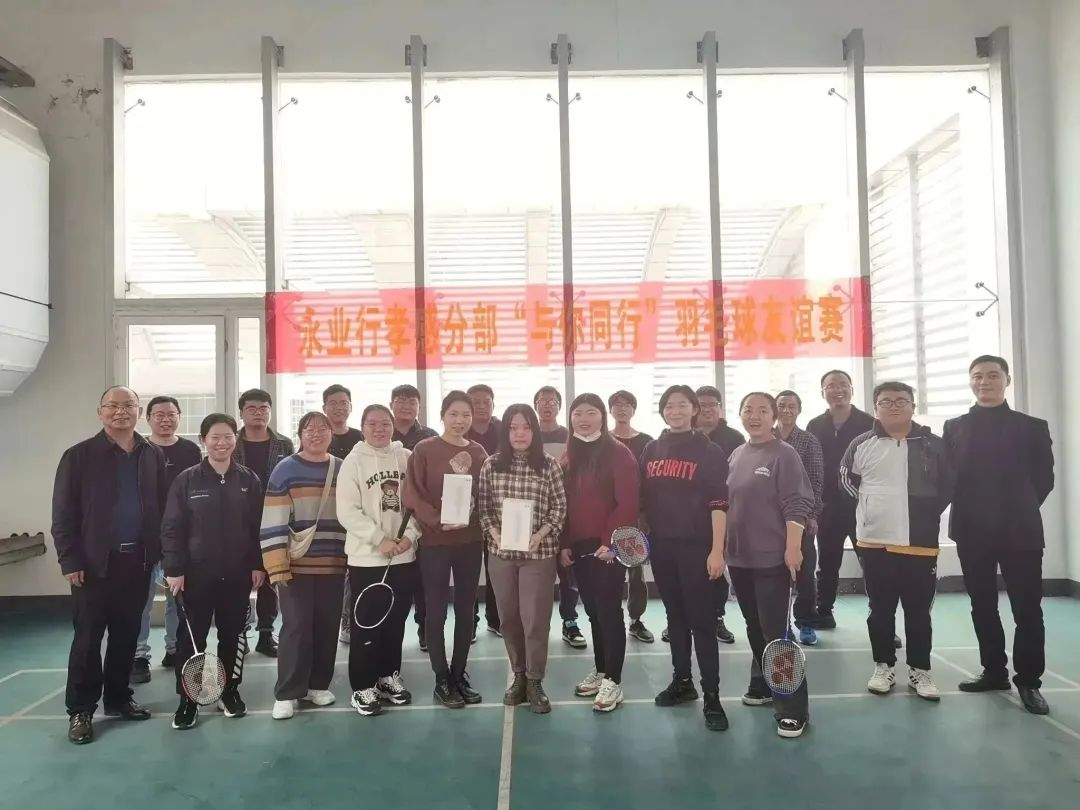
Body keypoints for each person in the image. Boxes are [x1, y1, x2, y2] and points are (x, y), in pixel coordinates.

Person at [51, 386, 166, 745]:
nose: (120, 412)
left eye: (128, 405)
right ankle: (81, 709)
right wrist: (70, 560)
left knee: (126, 635)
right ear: (100, 412)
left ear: (138, 411)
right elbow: (63, 514)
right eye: (112, 406)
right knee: (87, 640)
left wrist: (161, 553)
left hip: (138, 562)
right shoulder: (79, 456)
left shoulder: (151, 455)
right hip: (93, 565)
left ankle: (118, 698)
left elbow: (161, 507)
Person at [944, 355, 1055, 715]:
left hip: (1020, 531)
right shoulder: (954, 427)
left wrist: (1017, 507)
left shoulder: (1031, 427)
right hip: (971, 531)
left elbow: (1044, 479)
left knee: (1027, 608)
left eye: (993, 375)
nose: (985, 382)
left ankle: (1029, 681)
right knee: (982, 604)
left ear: (1007, 380)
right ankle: (994, 671)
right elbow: (949, 477)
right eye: (977, 376)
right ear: (970, 382)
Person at [839, 382, 952, 703]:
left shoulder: (933, 444)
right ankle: (883, 666)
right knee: (880, 610)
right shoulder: (862, 443)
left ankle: (920, 670)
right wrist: (872, 507)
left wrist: (924, 512)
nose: (894, 406)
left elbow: (948, 485)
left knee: (918, 612)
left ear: (913, 406)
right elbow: (845, 480)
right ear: (875, 408)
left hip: (920, 542)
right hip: (875, 542)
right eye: (886, 401)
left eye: (901, 400)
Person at [160, 414, 265, 729]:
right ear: (203, 440)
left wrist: (258, 564)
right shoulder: (186, 480)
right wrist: (174, 569)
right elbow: (172, 527)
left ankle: (229, 691)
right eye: (215, 437)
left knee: (233, 635)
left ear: (235, 439)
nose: (222, 443)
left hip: (237, 574)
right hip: (196, 576)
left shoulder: (249, 480)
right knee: (191, 639)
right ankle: (188, 699)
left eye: (228, 436)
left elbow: (257, 527)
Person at [640, 385, 730, 732]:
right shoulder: (651, 449)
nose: (675, 411)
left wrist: (717, 550)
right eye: (669, 405)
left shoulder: (709, 451)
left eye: (682, 405)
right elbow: (644, 501)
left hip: (697, 548)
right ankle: (682, 682)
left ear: (694, 410)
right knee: (675, 618)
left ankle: (712, 696)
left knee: (702, 622)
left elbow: (719, 503)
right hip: (663, 549)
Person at [727, 392, 814, 739]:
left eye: (763, 410)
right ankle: (763, 683)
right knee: (754, 627)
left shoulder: (785, 454)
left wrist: (793, 548)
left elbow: (797, 504)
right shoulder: (737, 454)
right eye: (748, 410)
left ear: (774, 416)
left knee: (776, 633)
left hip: (772, 559)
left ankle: (792, 708)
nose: (755, 416)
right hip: (740, 558)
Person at [479, 404, 567, 714]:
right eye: (513, 427)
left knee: (535, 620)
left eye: (526, 427)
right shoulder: (491, 465)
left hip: (538, 555)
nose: (519, 433)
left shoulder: (549, 465)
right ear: (505, 431)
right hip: (501, 555)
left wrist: (540, 534)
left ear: (535, 431)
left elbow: (559, 508)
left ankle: (534, 679)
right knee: (509, 618)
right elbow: (484, 508)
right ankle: (518, 674)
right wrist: (495, 533)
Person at [403, 391, 489, 708]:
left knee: (466, 609)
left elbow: (486, 493)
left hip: (470, 541)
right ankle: (441, 678)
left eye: (466, 415)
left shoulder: (479, 452)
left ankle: (459, 673)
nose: (460, 420)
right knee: (436, 609)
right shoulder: (424, 450)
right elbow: (412, 494)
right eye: (453, 414)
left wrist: (475, 512)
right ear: (442, 415)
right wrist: (438, 520)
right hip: (435, 542)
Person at [336, 404, 422, 717]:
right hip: (367, 559)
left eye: (385, 423)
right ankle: (362, 687)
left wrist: (410, 536)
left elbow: (417, 504)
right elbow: (347, 511)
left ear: (392, 426)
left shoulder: (406, 457)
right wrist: (379, 539)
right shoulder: (353, 462)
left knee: (395, 622)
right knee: (366, 625)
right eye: (372, 424)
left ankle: (388, 677)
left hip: (403, 556)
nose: (379, 429)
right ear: (362, 428)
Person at [260, 411, 346, 720]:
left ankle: (317, 686)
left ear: (332, 434)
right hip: (295, 565)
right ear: (300, 434)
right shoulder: (286, 469)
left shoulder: (342, 468)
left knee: (327, 626)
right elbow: (273, 518)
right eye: (309, 429)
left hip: (335, 563)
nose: (316, 434)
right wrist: (276, 565)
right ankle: (287, 692)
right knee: (296, 627)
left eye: (323, 428)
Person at [561, 394, 640, 713]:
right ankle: (602, 668)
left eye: (591, 412)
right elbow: (563, 503)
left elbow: (628, 503)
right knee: (592, 610)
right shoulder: (570, 453)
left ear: (602, 416)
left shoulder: (619, 453)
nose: (584, 419)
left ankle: (614, 681)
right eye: (577, 413)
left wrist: (611, 543)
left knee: (608, 611)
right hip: (579, 545)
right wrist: (565, 543)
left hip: (607, 547)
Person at [133, 396, 200, 684]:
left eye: (171, 414)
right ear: (147, 418)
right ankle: (139, 655)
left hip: (182, 536)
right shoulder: (140, 449)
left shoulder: (190, 450)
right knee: (142, 600)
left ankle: (175, 649)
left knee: (179, 597)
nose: (165, 419)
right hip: (145, 537)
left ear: (179, 417)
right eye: (159, 414)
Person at [807, 370, 874, 630]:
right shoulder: (815, 425)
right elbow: (811, 467)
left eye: (843, 385)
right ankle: (824, 611)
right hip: (828, 506)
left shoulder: (869, 423)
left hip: (862, 505)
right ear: (822, 392)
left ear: (852, 389)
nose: (838, 390)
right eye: (831, 386)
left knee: (871, 562)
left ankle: (879, 616)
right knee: (828, 562)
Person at [233, 388, 295, 657]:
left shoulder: (284, 444)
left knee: (271, 578)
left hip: (274, 518)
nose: (258, 413)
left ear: (270, 412)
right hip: (238, 520)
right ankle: (240, 633)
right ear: (242, 413)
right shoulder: (231, 441)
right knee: (239, 579)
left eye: (263, 409)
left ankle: (266, 634)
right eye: (251, 409)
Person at [533, 385, 585, 650]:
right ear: (536, 406)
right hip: (535, 515)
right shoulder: (528, 435)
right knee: (537, 577)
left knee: (568, 571)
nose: (547, 405)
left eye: (552, 401)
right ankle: (535, 627)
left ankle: (570, 621)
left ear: (559, 406)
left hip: (567, 513)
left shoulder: (570, 436)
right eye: (542, 401)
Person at [388, 383, 439, 653]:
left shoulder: (430, 436)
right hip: (390, 518)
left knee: (424, 580)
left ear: (419, 406)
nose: (406, 406)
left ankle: (424, 629)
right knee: (393, 579)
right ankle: (388, 632)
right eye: (401, 400)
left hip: (422, 519)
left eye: (412, 402)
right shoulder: (383, 434)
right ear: (391, 404)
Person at [775, 390, 824, 646]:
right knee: (776, 575)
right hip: (770, 519)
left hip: (800, 517)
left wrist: (812, 515)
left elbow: (815, 480)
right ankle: (781, 625)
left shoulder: (808, 441)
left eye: (791, 406)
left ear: (798, 410)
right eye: (781, 405)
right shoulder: (765, 437)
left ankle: (805, 622)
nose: (786, 410)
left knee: (804, 574)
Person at [693, 385, 740, 645]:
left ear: (720, 408)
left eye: (713, 404)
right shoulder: (683, 436)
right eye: (702, 405)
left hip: (723, 513)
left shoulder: (734, 438)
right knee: (687, 570)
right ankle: (680, 619)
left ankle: (717, 617)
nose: (707, 409)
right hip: (689, 517)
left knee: (718, 569)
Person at [609, 390, 655, 643]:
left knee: (636, 572)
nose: (622, 409)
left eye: (627, 405)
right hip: (608, 515)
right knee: (609, 569)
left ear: (634, 410)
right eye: (617, 405)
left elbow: (650, 479)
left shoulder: (647, 442)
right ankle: (611, 618)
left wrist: (646, 514)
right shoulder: (604, 440)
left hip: (637, 515)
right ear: (610, 410)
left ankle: (636, 620)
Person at [466, 384, 503, 640]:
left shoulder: (503, 429)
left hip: (498, 509)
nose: (481, 406)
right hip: (466, 510)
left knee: (496, 567)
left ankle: (496, 619)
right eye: (475, 401)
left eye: (485, 401)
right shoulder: (459, 429)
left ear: (493, 404)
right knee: (468, 569)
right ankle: (470, 621)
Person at [324, 384, 363, 459]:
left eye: (343, 403)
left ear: (351, 407)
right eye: (333, 403)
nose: (338, 407)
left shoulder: (360, 436)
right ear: (324, 408)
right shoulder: (318, 437)